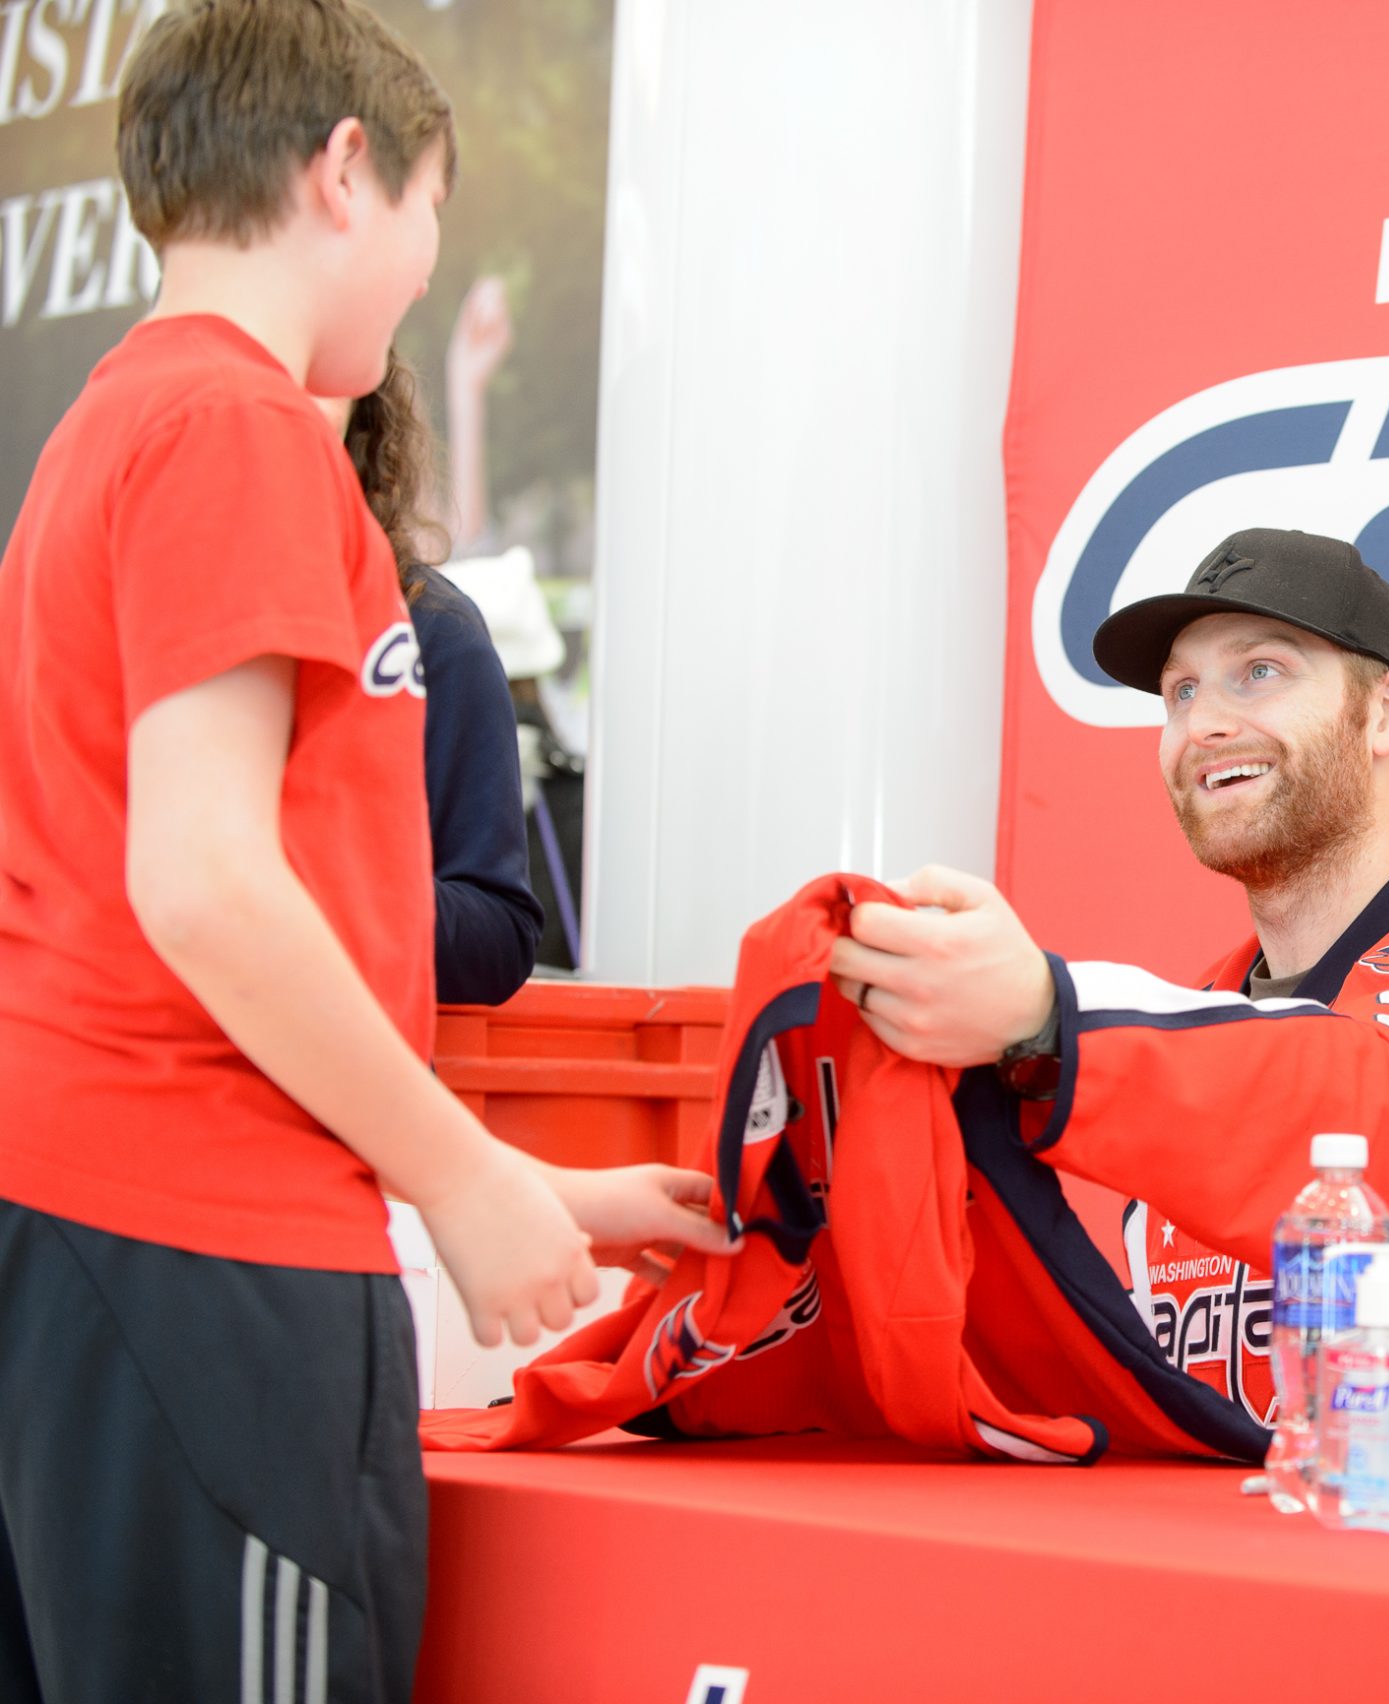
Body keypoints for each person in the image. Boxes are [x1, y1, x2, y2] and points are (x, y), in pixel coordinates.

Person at [0, 4, 731, 1700]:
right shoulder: (236, 430)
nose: (419, 273)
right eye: (427, 217)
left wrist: (536, 1185)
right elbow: (206, 882)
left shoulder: (110, 431)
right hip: (203, 1265)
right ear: (347, 171)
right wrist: (470, 1180)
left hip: (109, 1241)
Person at [826, 528, 1389, 1414]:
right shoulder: (1200, 1010)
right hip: (1221, 1544)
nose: (1204, 724)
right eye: (1181, 691)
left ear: (1387, 714)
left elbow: (1388, 1155)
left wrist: (1047, 1016)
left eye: (1261, 671)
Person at [334, 352, 544, 1004]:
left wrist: (314, 888)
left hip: (338, 1084)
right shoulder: (161, 596)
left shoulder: (433, 631)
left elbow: (499, 934)